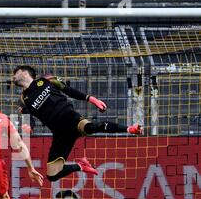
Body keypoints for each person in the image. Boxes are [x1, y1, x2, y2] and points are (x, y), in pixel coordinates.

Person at [13, 65, 143, 183]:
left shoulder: (47, 80)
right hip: (59, 133)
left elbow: (68, 90)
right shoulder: (23, 100)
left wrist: (91, 99)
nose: (13, 76)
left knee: (90, 127)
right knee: (52, 175)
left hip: (70, 118)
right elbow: (28, 117)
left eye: (15, 73)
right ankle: (81, 166)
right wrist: (29, 126)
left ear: (25, 73)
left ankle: (129, 129)